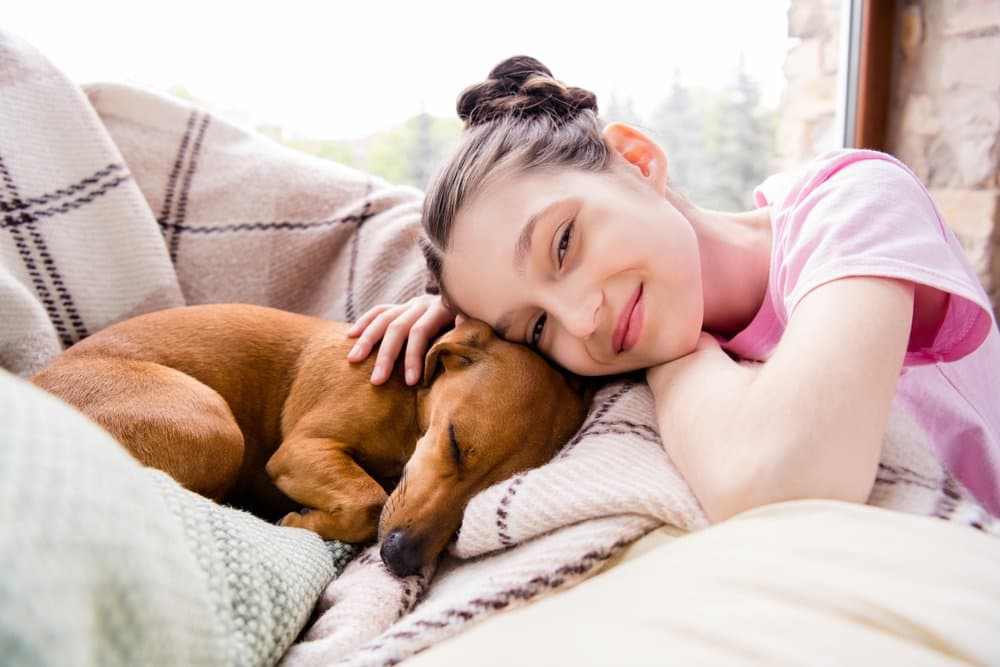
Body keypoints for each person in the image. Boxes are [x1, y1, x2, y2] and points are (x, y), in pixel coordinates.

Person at [346, 55, 1000, 522]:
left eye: (564, 244)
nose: (580, 319)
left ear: (637, 159)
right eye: (537, 327)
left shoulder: (855, 203)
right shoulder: (627, 328)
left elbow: (786, 476)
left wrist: (679, 359)